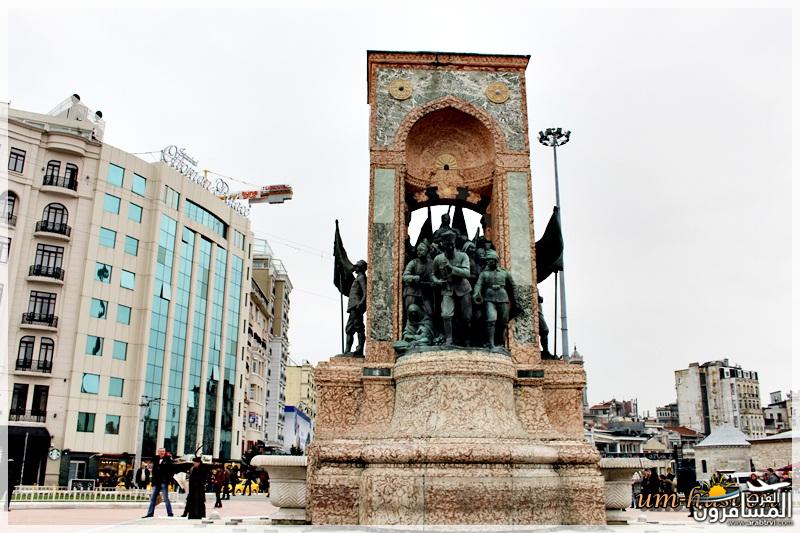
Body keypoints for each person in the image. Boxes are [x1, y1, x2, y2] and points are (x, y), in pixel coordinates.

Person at [432, 230, 472, 345]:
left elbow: (467, 273)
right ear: (442, 245)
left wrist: (452, 268)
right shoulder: (438, 259)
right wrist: (437, 281)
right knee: (446, 314)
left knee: (467, 317)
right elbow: (433, 274)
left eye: (451, 245)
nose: (449, 247)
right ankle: (449, 339)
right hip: (447, 289)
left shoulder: (463, 256)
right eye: (446, 245)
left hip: (463, 289)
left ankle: (467, 339)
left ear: (454, 244)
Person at [472, 249, 517, 350]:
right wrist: (476, 294)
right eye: (487, 260)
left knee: (504, 321)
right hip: (489, 299)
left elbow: (513, 287)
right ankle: (491, 343)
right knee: (491, 320)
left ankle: (501, 342)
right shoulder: (484, 274)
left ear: (495, 260)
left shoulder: (505, 273)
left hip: (503, 298)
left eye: (490, 260)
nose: (488, 261)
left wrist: (516, 301)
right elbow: (478, 285)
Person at [402, 240, 435, 319]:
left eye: (421, 250)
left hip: (425, 292)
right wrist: (415, 278)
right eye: (418, 250)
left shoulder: (431, 263)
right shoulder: (413, 263)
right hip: (412, 291)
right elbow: (405, 276)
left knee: (430, 313)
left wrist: (433, 282)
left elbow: (433, 276)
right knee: (410, 311)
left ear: (427, 251)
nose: (418, 252)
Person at [142, 448, 174, 518]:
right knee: (153, 498)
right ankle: (150, 513)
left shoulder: (168, 459)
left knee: (166, 498)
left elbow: (170, 470)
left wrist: (168, 480)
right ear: (158, 452)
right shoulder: (155, 459)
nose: (162, 453)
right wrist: (153, 482)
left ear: (165, 452)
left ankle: (170, 513)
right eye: (160, 451)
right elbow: (153, 470)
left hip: (164, 481)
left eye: (163, 451)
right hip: (156, 481)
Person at [344, 260, 368, 356]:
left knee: (358, 328)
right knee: (349, 329)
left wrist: (361, 303)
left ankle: (360, 349)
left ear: (360, 268)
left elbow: (365, 291)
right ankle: (347, 350)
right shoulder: (358, 277)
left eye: (357, 266)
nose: (355, 268)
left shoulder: (361, 277)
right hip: (353, 307)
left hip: (356, 306)